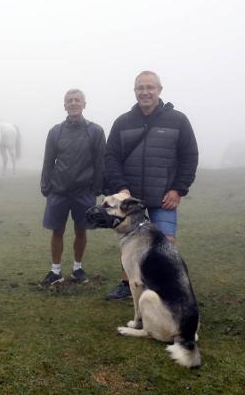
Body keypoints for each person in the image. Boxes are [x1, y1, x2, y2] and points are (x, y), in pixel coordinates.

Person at [103, 71, 199, 300]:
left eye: (150, 87)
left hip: (163, 196)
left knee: (166, 243)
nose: (145, 92)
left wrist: (178, 189)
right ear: (135, 91)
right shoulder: (123, 122)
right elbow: (111, 157)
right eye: (140, 88)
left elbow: (189, 156)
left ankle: (161, 285)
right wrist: (121, 188)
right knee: (128, 242)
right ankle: (127, 285)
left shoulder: (178, 120)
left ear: (159, 90)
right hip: (130, 199)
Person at [40, 89, 106, 286]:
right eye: (69, 100)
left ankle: (77, 268)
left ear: (84, 104)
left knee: (81, 230)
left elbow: (100, 162)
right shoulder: (55, 131)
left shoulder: (95, 131)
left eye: (77, 100)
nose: (73, 103)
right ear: (64, 106)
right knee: (57, 231)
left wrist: (96, 189)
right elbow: (48, 160)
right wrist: (46, 186)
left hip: (84, 192)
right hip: (59, 191)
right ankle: (56, 271)